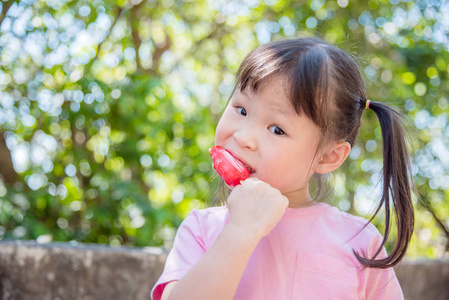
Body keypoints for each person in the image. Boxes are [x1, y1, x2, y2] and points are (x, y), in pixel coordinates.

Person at [151, 37, 414, 300]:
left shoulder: (360, 242)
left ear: (328, 156)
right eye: (241, 110)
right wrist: (239, 232)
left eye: (277, 129)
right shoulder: (202, 229)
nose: (244, 137)